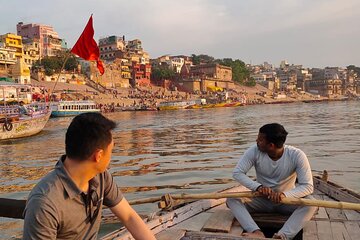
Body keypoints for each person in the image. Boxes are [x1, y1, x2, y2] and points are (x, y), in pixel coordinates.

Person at [23, 112, 156, 240]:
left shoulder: (101, 177)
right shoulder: (44, 203)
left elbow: (128, 216)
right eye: (111, 150)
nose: (111, 156)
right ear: (98, 156)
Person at [226, 123, 317, 240]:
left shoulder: (297, 155)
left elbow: (308, 187)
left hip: (287, 201)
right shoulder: (253, 151)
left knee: (311, 204)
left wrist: (284, 195)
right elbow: (237, 173)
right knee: (232, 200)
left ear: (271, 145)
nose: (256, 141)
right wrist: (258, 187)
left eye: (260, 139)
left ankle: (282, 235)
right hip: (262, 200)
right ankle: (256, 231)